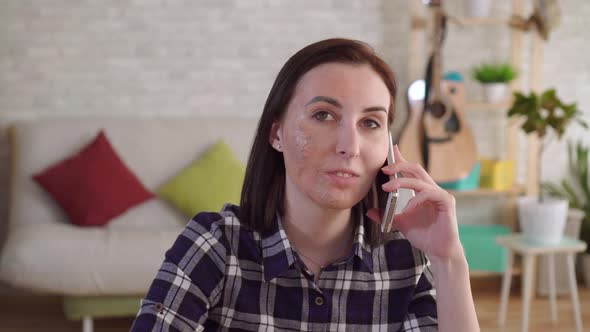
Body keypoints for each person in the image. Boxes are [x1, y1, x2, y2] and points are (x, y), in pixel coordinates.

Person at [131, 38, 479, 331]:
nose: (350, 145)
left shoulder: (406, 260)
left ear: (388, 147)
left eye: (371, 122)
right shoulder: (216, 245)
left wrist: (449, 260)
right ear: (277, 133)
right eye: (323, 115)